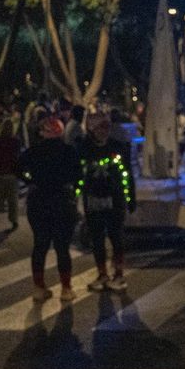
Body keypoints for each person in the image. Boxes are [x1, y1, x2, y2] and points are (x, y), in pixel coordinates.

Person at [20, 115, 81, 301]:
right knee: (62, 247)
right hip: (61, 200)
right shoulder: (68, 151)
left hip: (38, 201)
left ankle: (39, 287)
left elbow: (17, 167)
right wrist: (75, 192)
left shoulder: (33, 151)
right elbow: (79, 174)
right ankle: (66, 288)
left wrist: (30, 180)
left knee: (40, 244)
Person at [78, 111, 134, 290]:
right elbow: (77, 175)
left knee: (116, 237)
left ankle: (118, 275)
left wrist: (130, 197)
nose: (104, 131)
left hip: (115, 200)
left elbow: (128, 175)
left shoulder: (118, 147)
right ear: (91, 129)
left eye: (106, 127)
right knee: (97, 239)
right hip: (93, 200)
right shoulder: (83, 149)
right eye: (100, 128)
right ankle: (102, 274)